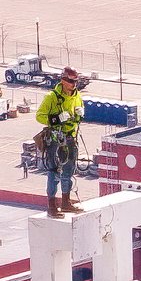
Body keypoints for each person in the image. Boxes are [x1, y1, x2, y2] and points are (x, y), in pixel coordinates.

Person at [35, 67, 86, 216]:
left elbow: (77, 114)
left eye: (76, 81)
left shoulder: (77, 96)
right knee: (53, 171)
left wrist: (80, 115)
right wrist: (55, 119)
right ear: (63, 81)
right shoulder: (52, 97)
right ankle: (52, 206)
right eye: (70, 81)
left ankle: (65, 202)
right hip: (56, 139)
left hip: (70, 138)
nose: (74, 84)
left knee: (69, 171)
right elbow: (39, 116)